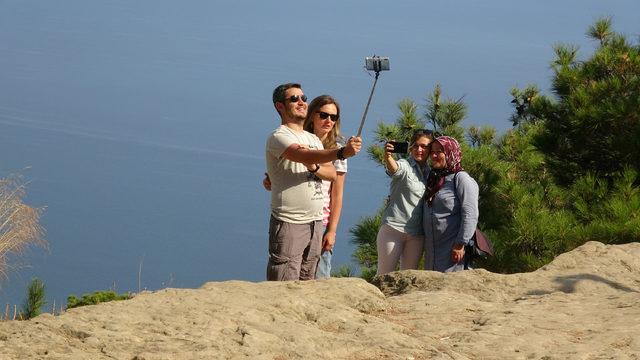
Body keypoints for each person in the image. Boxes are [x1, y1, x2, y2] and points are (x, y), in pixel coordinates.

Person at [265, 83, 362, 281]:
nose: (301, 102)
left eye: (303, 97)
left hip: (317, 222)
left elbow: (331, 173)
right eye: (294, 99)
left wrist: (314, 166)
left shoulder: (313, 139)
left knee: (309, 282)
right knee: (285, 282)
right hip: (291, 221)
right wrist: (342, 152)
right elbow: (301, 155)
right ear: (280, 107)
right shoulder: (279, 136)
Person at [376, 129, 434, 275]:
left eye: (424, 146)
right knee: (384, 275)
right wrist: (388, 156)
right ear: (411, 147)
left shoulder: (431, 173)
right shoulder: (405, 165)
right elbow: (395, 169)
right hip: (393, 230)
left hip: (417, 235)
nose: (419, 150)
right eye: (416, 145)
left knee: (408, 279)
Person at [423, 136, 479, 272]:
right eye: (432, 152)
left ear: (450, 152)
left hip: (452, 252)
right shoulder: (434, 178)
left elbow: (470, 214)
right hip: (433, 253)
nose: (434, 155)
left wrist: (460, 244)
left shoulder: (461, 179)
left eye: (439, 152)